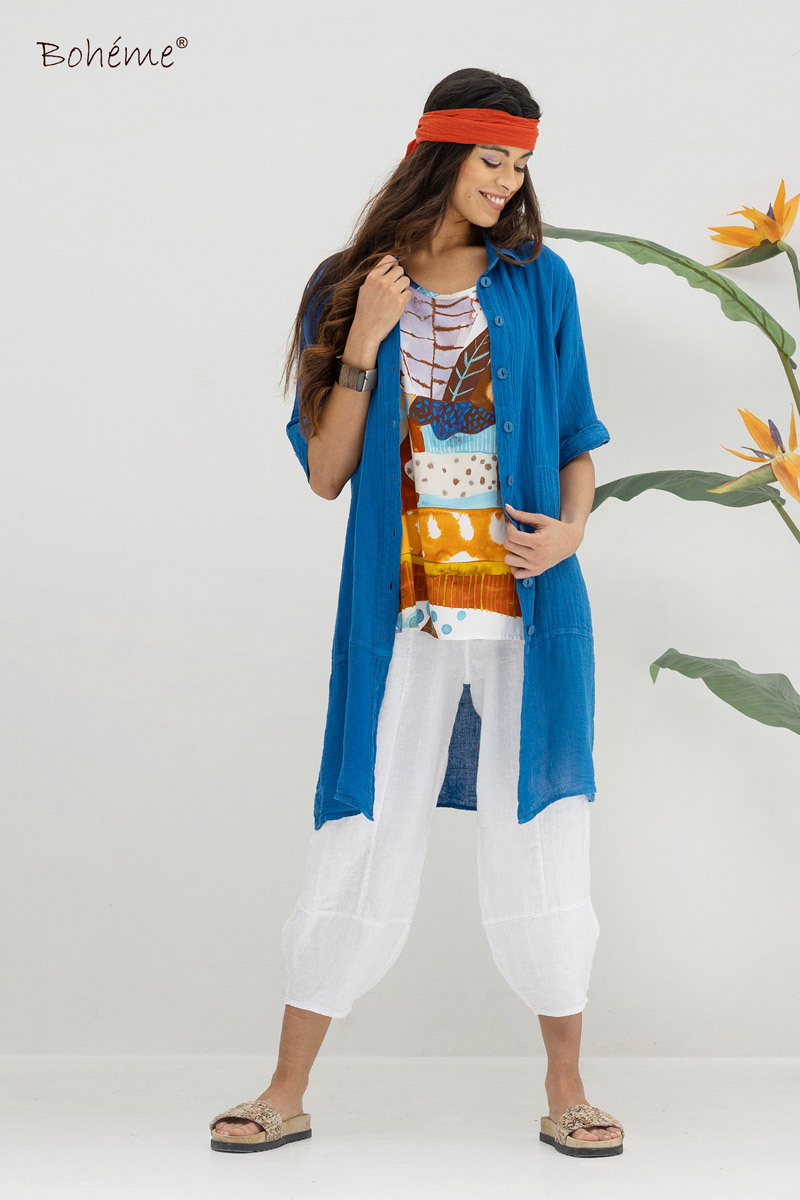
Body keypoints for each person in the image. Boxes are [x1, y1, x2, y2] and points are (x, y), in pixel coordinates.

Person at [209, 67, 625, 1159]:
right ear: (439, 153)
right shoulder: (348, 283)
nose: (508, 181)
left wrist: (572, 532)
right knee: (360, 823)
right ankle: (287, 1088)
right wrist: (364, 340)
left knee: (544, 830)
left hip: (526, 605)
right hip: (399, 610)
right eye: (492, 157)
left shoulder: (537, 281)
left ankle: (567, 1089)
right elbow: (326, 473)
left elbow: (576, 438)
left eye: (521, 163)